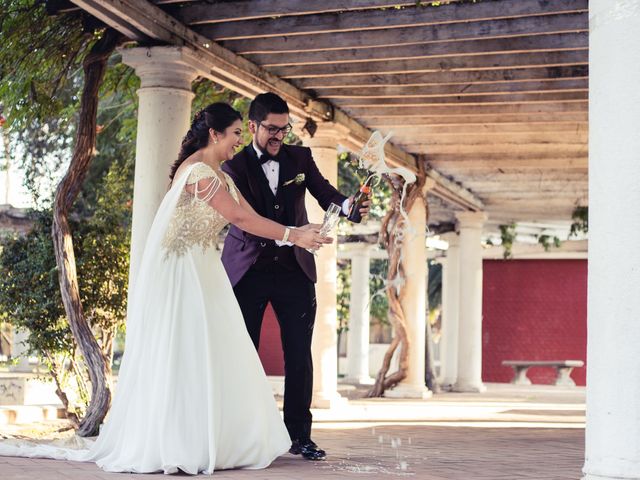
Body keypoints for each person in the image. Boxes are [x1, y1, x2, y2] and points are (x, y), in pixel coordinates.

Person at [0, 102, 332, 474]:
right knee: (188, 351)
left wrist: (301, 234)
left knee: (213, 350)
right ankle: (180, 440)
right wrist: (294, 235)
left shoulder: (216, 173)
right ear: (215, 134)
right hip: (185, 271)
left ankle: (216, 436)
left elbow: (253, 217)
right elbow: (239, 218)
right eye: (237, 132)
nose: (241, 139)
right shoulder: (198, 175)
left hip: (204, 268)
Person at [221, 92, 369, 461]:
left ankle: (299, 436)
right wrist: (294, 230)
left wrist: (350, 206)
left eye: (284, 129)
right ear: (252, 125)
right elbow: (246, 221)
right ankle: (243, 433)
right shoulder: (232, 167)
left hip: (294, 270)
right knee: (243, 353)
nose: (278, 137)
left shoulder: (300, 158)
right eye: (271, 129)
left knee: (300, 355)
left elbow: (327, 194)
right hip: (248, 269)